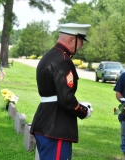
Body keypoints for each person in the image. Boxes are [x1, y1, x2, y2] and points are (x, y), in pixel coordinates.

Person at [30, 23, 93, 160]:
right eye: (81, 40)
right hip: (56, 125)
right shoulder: (63, 60)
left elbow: (56, 93)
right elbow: (66, 98)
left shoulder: (49, 55)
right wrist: (84, 110)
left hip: (45, 121)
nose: (82, 44)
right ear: (72, 39)